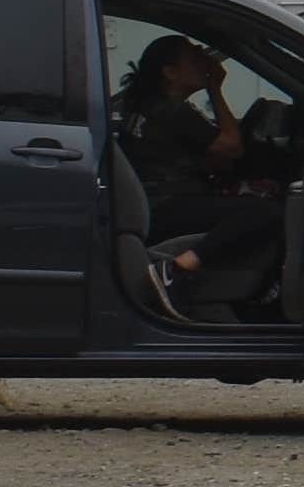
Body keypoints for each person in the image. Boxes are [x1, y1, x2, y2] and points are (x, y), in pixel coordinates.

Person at [115, 34, 289, 309]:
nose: (205, 62)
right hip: (167, 206)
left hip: (154, 204)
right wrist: (215, 88)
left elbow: (212, 159)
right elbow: (232, 148)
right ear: (170, 72)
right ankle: (181, 267)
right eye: (194, 58)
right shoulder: (173, 111)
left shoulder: (149, 106)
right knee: (270, 211)